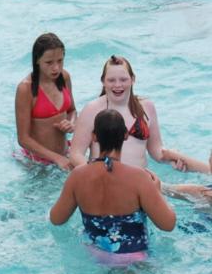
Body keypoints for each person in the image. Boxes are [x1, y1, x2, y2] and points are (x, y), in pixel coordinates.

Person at [50, 110, 176, 265]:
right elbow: (168, 224)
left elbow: (56, 219)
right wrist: (156, 191)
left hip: (93, 256)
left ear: (94, 137)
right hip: (135, 259)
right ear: (125, 135)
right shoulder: (139, 178)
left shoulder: (77, 176)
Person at [69, 56, 198, 170]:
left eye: (123, 80)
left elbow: (156, 151)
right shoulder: (92, 109)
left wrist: (171, 159)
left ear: (133, 79)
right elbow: (75, 154)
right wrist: (96, 174)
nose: (118, 85)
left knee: (199, 192)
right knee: (192, 192)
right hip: (106, 179)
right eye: (111, 80)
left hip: (141, 180)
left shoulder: (146, 107)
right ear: (103, 81)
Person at [14, 33, 76, 170]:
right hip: (36, 162)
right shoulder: (25, 89)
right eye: (49, 62)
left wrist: (71, 123)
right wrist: (57, 158)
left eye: (60, 61)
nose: (56, 68)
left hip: (65, 153)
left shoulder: (64, 77)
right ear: (37, 61)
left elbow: (72, 110)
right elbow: (23, 139)